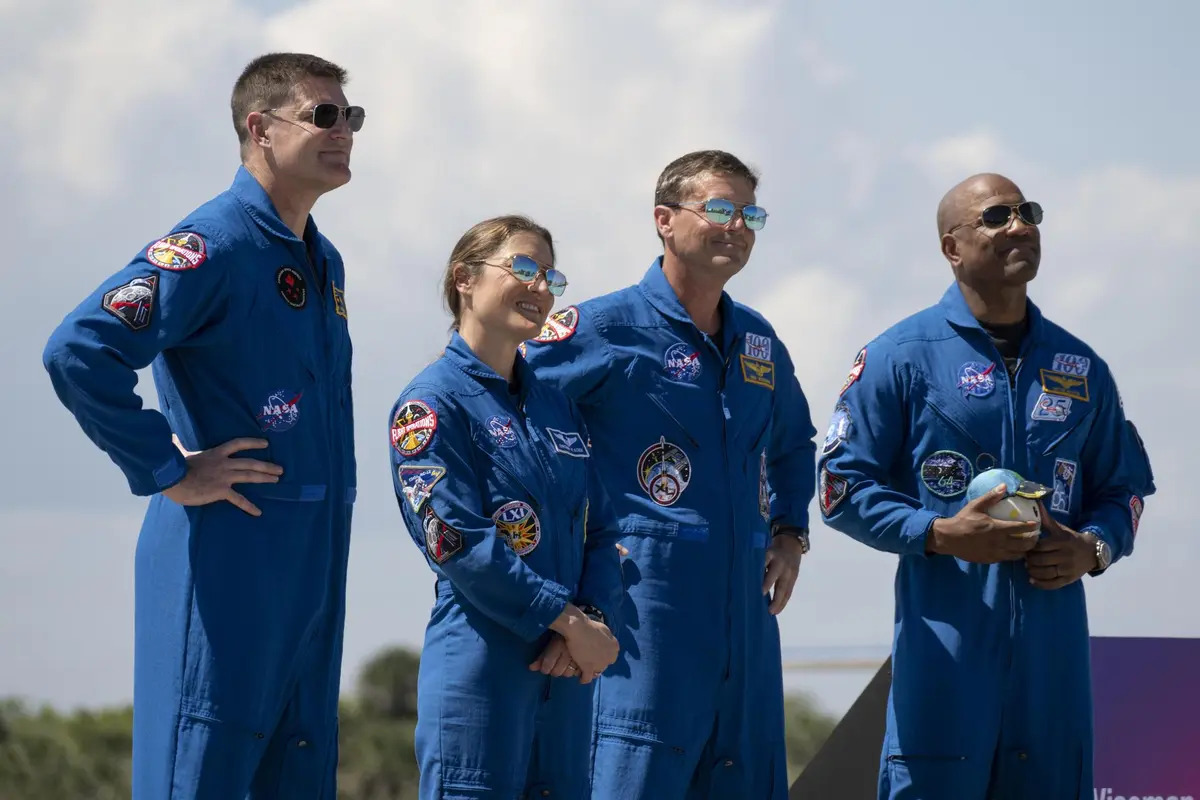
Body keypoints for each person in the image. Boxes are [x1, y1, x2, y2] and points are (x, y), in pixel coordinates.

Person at [42, 53, 363, 798]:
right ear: (260, 128)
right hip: (225, 559)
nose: (343, 130)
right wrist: (168, 469)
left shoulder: (323, 261)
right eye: (323, 115)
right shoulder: (212, 244)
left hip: (310, 567)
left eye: (351, 117)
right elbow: (78, 351)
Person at [818, 173, 1156, 800]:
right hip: (945, 656)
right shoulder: (901, 356)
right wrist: (939, 533)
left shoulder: (1080, 367)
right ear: (952, 247)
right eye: (997, 216)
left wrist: (1094, 548)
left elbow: (1126, 490)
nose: (1020, 226)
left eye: (1028, 213)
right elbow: (840, 487)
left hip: (1051, 668)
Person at [523, 150, 817, 799]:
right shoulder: (602, 327)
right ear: (664, 219)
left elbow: (795, 443)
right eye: (718, 208)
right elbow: (503, 405)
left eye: (750, 214)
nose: (736, 226)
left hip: (745, 626)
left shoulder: (759, 344)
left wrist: (792, 534)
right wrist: (554, 575)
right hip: (639, 618)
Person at [389, 215, 626, 799]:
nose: (541, 287)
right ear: (464, 278)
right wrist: (567, 620)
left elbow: (601, 529)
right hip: (482, 668)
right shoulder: (430, 404)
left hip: (565, 668)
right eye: (523, 268)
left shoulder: (557, 407)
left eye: (551, 275)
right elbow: (459, 543)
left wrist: (589, 622)